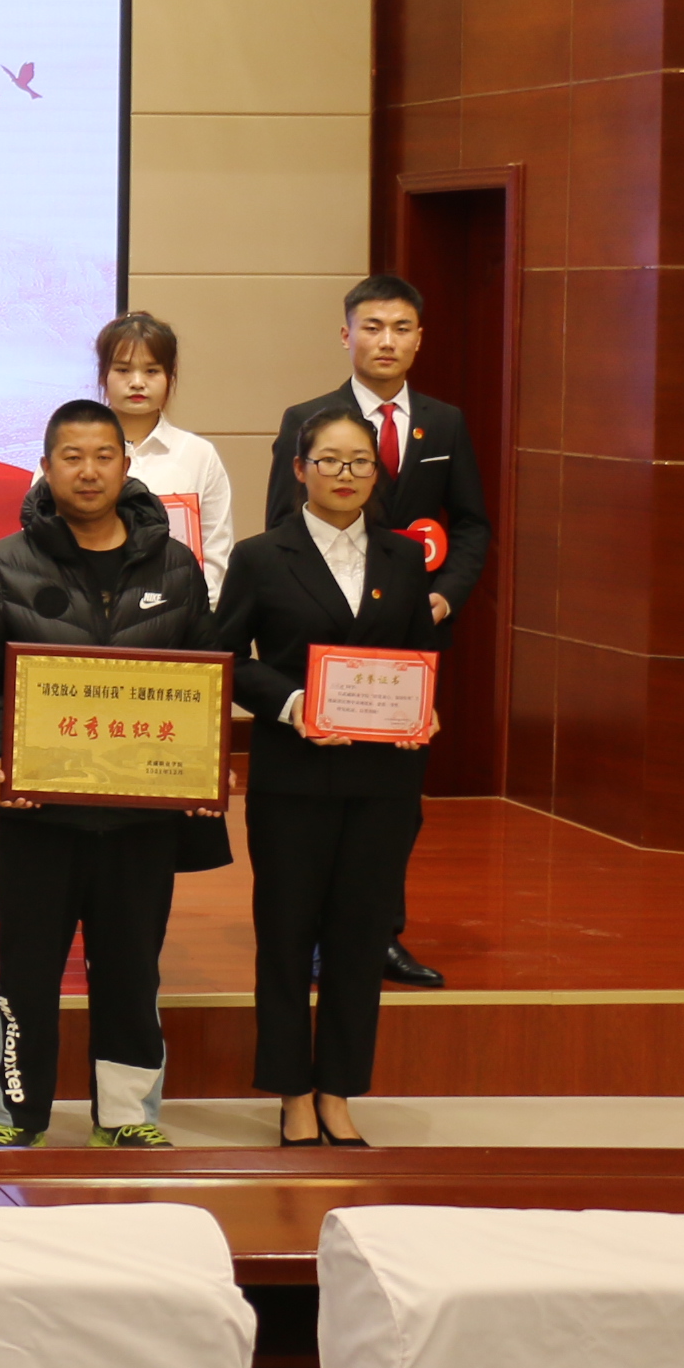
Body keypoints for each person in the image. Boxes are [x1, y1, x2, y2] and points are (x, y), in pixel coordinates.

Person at [0, 401, 218, 1151]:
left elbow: (204, 674)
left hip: (140, 817)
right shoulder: (3, 565)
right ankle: (16, 1114)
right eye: (72, 457)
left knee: (131, 968)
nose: (89, 471)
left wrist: (200, 765)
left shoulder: (175, 566)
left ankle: (128, 1115)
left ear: (126, 467)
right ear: (45, 467)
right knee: (26, 969)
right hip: (39, 813)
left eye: (104, 456)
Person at [261, 274, 492, 993]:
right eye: (372, 326)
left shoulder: (444, 424)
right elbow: (279, 529)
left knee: (393, 802)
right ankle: (316, 937)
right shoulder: (308, 418)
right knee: (321, 801)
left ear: (419, 338)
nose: (386, 341)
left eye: (401, 328)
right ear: (347, 335)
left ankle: (378, 934)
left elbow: (472, 524)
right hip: (322, 642)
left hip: (404, 644)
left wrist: (443, 598)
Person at [221, 407, 443, 1148]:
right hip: (293, 778)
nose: (345, 475)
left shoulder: (402, 556)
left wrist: (426, 708)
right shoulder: (261, 556)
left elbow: (419, 654)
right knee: (286, 936)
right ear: (300, 469)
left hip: (383, 782)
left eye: (360, 463)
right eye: (330, 461)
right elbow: (228, 658)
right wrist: (292, 705)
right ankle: (292, 1091)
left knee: (360, 936)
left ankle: (339, 1090)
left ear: (377, 474)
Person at [98, 310, 236, 605]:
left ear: (169, 376)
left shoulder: (198, 455)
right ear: (103, 374)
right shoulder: (71, 452)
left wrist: (196, 614)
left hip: (177, 616)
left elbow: (215, 556)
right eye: (123, 370)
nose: (137, 382)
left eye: (151, 371)